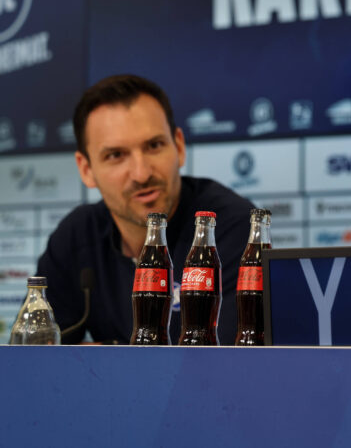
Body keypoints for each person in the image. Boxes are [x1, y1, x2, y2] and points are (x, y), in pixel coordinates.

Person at [37, 74, 253, 345]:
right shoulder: (76, 237)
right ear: (86, 169)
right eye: (116, 155)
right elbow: (36, 353)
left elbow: (224, 359)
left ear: (179, 147)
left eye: (154, 146)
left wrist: (100, 357)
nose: (141, 174)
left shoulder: (228, 228)